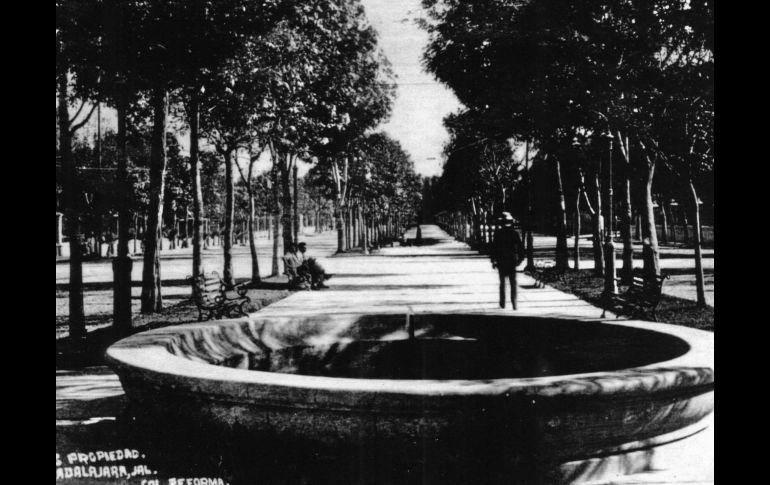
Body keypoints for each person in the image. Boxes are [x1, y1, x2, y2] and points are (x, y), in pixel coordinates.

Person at [490, 212, 525, 310]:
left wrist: (493, 260)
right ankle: (514, 303)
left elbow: (494, 248)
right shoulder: (514, 233)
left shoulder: (498, 233)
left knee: (502, 283)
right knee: (513, 283)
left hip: (501, 260)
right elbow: (520, 247)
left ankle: (502, 303)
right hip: (511, 260)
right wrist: (520, 259)